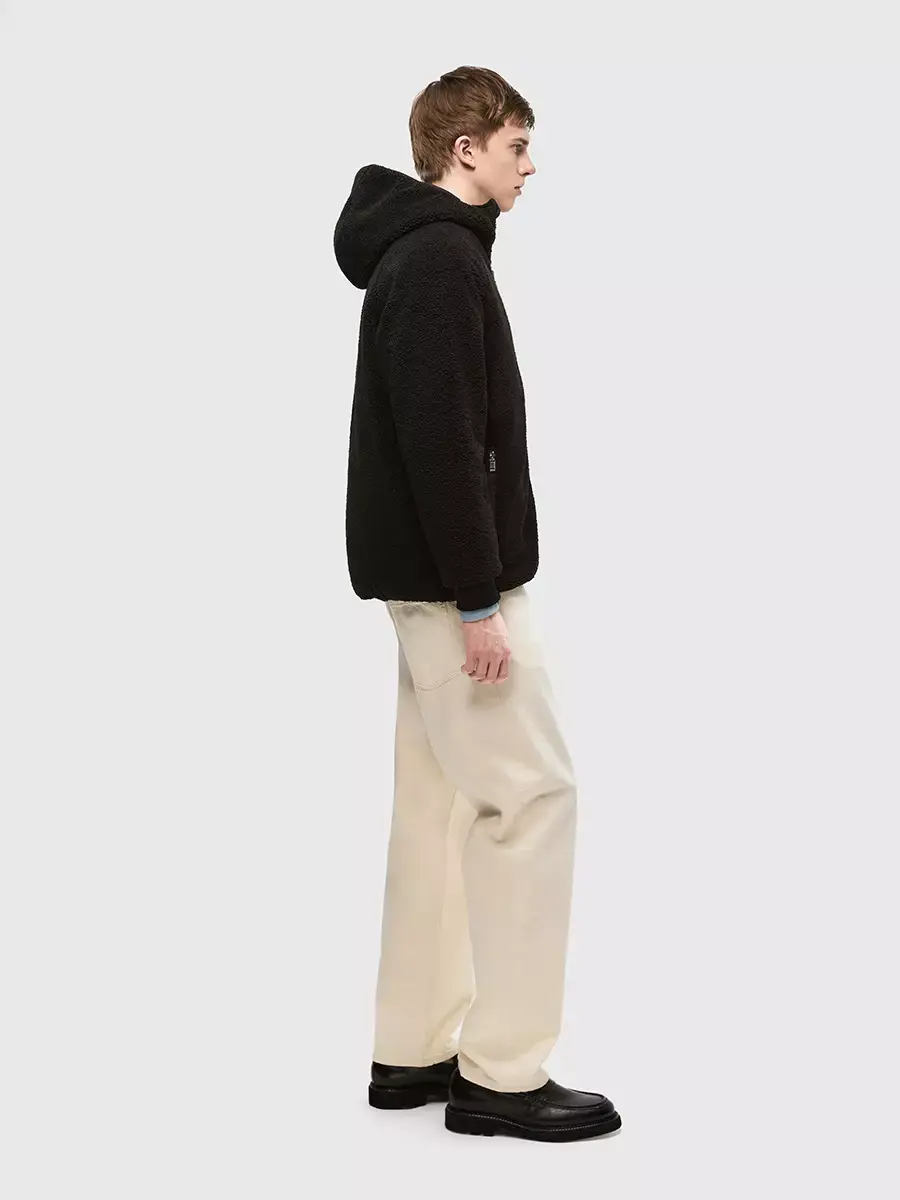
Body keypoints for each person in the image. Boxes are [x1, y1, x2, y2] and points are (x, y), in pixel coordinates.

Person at [332, 66, 621, 1144]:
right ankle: (503, 1071)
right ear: (466, 151)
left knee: (442, 805)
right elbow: (443, 446)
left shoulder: (420, 255)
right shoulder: (440, 261)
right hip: (451, 591)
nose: (529, 165)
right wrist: (478, 599)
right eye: (516, 146)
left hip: (421, 587)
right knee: (534, 797)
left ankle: (411, 1049)